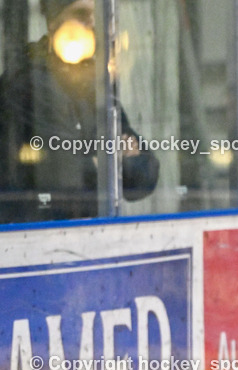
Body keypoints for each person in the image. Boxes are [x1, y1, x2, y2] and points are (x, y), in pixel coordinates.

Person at [0, 0, 159, 223]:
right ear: (54, 22)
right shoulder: (29, 82)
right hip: (33, 234)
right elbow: (65, 176)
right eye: (81, 14)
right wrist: (115, 158)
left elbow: (146, 175)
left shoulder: (94, 84)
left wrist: (97, 161)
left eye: (97, 15)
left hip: (88, 232)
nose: (92, 23)